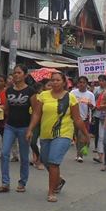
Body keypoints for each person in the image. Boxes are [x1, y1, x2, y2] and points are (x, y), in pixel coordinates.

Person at [27, 71, 88, 202]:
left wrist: (85, 134)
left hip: (64, 133)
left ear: (64, 82)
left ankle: (51, 191)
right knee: (45, 159)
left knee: (54, 162)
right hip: (45, 134)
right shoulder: (43, 96)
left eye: (58, 80)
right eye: (52, 80)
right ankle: (58, 181)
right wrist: (30, 129)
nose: (55, 82)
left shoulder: (70, 98)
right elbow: (36, 114)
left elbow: (77, 119)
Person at [0, 65, 34, 193]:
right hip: (10, 126)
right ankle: (5, 182)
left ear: (25, 75)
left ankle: (22, 182)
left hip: (24, 127)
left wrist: (31, 128)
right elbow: (6, 108)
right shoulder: (9, 91)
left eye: (19, 73)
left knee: (24, 157)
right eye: (14, 73)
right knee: (4, 153)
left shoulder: (30, 91)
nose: (16, 75)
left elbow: (35, 112)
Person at [71, 76, 95, 163]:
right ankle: (78, 153)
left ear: (86, 84)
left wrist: (90, 105)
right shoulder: (73, 93)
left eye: (84, 82)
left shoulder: (90, 95)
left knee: (82, 136)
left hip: (84, 119)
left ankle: (80, 155)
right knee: (77, 137)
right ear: (77, 84)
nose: (82, 84)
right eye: (80, 82)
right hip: (74, 118)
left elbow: (93, 107)